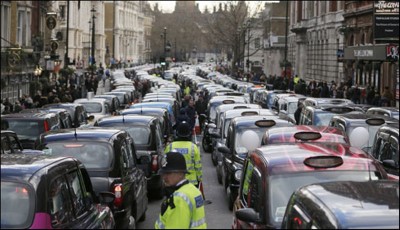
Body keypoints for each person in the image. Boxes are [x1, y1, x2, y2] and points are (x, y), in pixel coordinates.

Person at [155, 151, 207, 229]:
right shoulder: (194, 190)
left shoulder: (179, 199)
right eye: (163, 173)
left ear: (180, 174)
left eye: (168, 173)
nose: (164, 177)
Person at [165, 121, 203, 187]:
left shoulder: (170, 147)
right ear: (189, 133)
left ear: (177, 133)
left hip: (174, 182)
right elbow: (198, 166)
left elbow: (165, 165)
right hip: (191, 183)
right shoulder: (193, 147)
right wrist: (199, 179)